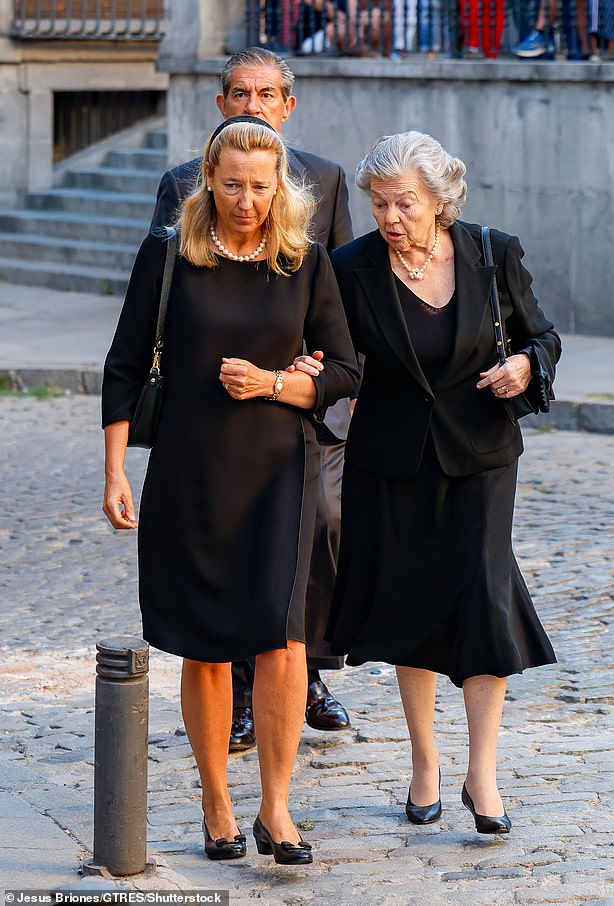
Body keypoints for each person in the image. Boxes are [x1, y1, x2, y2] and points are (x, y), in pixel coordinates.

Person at [102, 116, 358, 863]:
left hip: (281, 470)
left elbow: (344, 368)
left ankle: (277, 809)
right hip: (188, 472)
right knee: (206, 647)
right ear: (208, 181)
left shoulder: (303, 260)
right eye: (233, 184)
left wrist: (278, 382)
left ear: (280, 184)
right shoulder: (168, 255)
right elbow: (123, 365)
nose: (247, 200)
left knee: (283, 642)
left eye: (261, 185)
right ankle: (217, 800)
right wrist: (116, 469)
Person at [325, 131, 560, 834]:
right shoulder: (351, 267)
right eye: (378, 203)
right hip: (391, 465)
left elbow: (541, 337)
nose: (389, 218)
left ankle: (481, 772)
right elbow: (333, 357)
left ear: (440, 201)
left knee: (485, 606)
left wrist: (525, 367)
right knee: (412, 606)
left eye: (404, 203)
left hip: (482, 456)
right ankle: (425, 761)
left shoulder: (492, 252)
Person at [149, 47, 355, 752]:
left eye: (267, 93)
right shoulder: (183, 183)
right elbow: (163, 300)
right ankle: (239, 691)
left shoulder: (324, 179)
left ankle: (310, 673)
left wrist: (321, 361)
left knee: (320, 527)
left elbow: (340, 293)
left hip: (300, 403)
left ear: (287, 105)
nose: (253, 104)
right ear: (221, 103)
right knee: (229, 546)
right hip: (213, 413)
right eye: (240, 92)